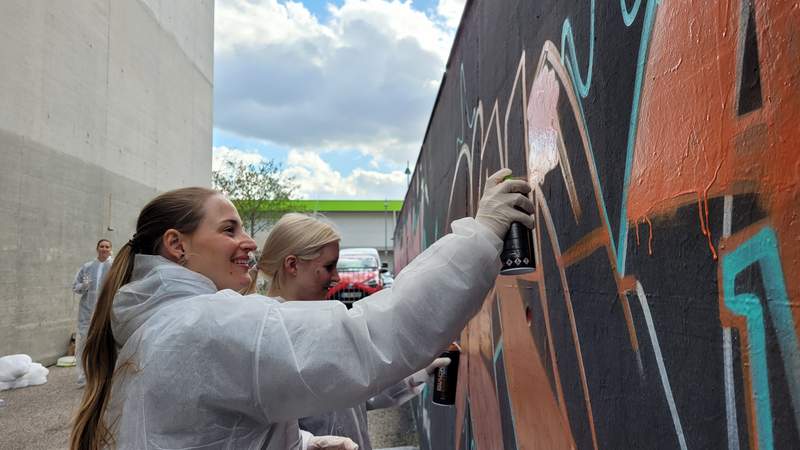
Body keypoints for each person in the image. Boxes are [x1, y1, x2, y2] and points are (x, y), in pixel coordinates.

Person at [70, 169, 532, 450]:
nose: (248, 242)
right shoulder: (203, 326)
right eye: (229, 229)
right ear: (177, 245)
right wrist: (482, 236)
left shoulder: (158, 329)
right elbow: (368, 338)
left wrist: (301, 443)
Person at [253, 213, 451, 450]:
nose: (336, 277)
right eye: (328, 266)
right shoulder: (261, 338)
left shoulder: (324, 324)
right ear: (293, 265)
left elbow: (358, 393)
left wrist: (418, 373)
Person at [71, 239, 113, 386]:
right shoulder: (87, 267)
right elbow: (75, 287)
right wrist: (84, 285)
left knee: (105, 343)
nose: (104, 249)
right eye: (101, 246)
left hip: (106, 311)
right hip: (87, 313)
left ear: (110, 249)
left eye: (107, 246)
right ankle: (83, 375)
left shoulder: (114, 267)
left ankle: (104, 375)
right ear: (97, 248)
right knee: (84, 343)